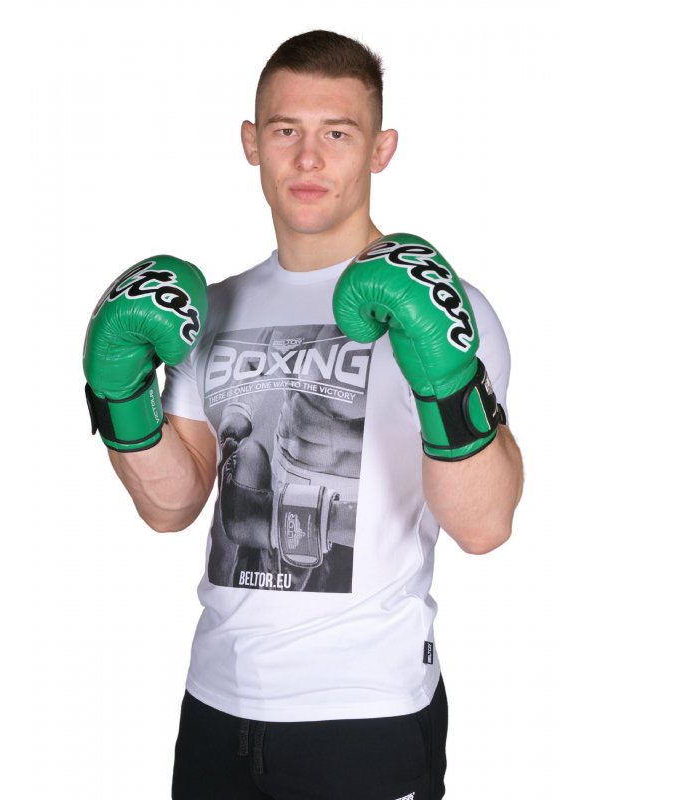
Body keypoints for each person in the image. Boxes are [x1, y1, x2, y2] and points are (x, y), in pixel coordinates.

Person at [83, 29, 523, 800]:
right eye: (286, 130)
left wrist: (445, 376)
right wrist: (119, 397)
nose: (309, 158)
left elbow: (484, 526)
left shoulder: (447, 308)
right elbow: (171, 507)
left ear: (380, 149)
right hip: (216, 703)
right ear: (252, 142)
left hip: (366, 713)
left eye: (338, 133)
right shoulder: (209, 310)